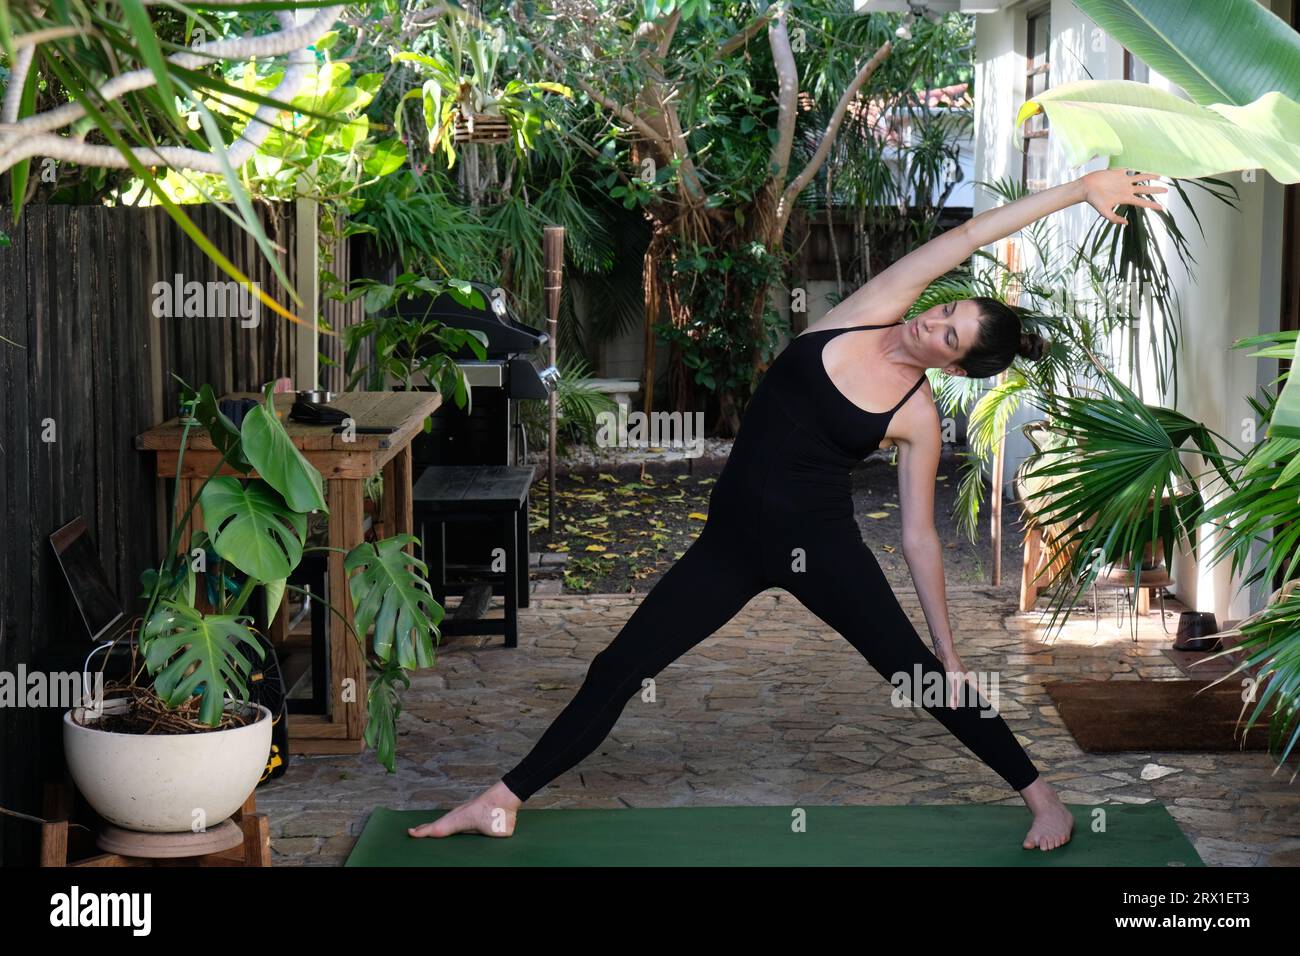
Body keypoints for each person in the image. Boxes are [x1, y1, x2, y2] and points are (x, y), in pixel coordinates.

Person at [409, 167, 1168, 852]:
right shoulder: (873, 308)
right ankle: (502, 800)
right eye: (947, 313)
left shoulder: (916, 415)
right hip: (730, 545)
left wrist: (950, 647)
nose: (931, 326)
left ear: (957, 364)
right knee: (620, 665)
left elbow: (917, 537)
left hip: (823, 549)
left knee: (919, 676)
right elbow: (971, 231)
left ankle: (1045, 801)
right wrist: (1077, 189)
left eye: (949, 337)